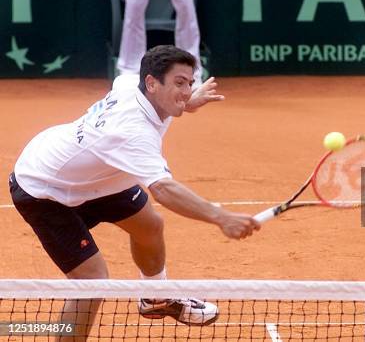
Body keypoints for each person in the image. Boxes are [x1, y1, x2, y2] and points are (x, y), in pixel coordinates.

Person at [10, 45, 259, 339]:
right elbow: (164, 190)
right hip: (44, 188)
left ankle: (155, 298)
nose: (187, 89)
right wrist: (221, 217)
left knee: (149, 226)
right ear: (152, 83)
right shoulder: (133, 133)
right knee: (93, 283)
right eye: (179, 83)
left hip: (98, 174)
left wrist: (186, 101)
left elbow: (145, 88)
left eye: (190, 83)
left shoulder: (132, 83)